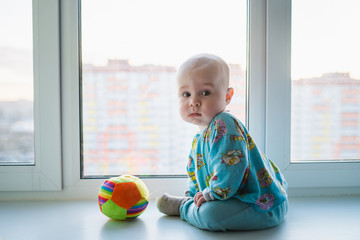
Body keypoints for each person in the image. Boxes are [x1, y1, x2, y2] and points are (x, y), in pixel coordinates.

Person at [157, 53, 288, 231]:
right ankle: (189, 203)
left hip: (262, 205)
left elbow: (231, 170)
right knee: (208, 209)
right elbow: (194, 174)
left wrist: (211, 194)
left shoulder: (224, 124)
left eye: (205, 93)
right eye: (186, 94)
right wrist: (194, 194)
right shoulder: (199, 138)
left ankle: (183, 207)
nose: (194, 102)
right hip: (233, 198)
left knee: (211, 215)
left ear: (227, 96)